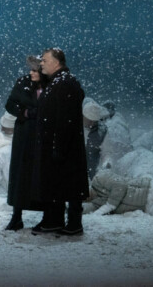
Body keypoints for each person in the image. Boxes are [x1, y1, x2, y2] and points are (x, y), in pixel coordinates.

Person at [32, 48, 88, 236]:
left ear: (57, 62)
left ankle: (73, 223)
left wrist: (59, 145)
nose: (41, 63)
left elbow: (66, 119)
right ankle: (53, 220)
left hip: (63, 145)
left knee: (68, 183)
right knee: (55, 183)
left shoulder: (65, 83)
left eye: (45, 60)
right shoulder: (56, 82)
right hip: (55, 144)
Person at [3, 55, 44, 230]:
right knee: (21, 175)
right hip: (25, 134)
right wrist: (26, 113)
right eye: (31, 69)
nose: (31, 73)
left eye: (35, 70)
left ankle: (47, 215)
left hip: (43, 136)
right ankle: (16, 216)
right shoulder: (23, 83)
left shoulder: (51, 86)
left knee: (42, 175)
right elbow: (10, 104)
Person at [83, 99, 107, 180]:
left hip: (93, 172)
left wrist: (107, 163)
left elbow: (107, 151)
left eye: (94, 121)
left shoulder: (102, 131)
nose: (91, 124)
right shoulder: (72, 128)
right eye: (89, 120)